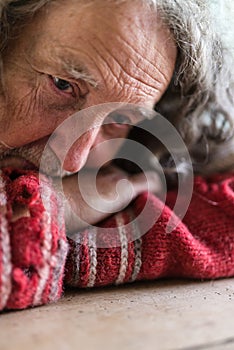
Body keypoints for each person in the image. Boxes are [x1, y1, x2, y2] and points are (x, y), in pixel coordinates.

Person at [0, 0, 234, 311]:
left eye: (118, 122)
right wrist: (55, 208)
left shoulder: (116, 171)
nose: (75, 160)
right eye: (63, 85)